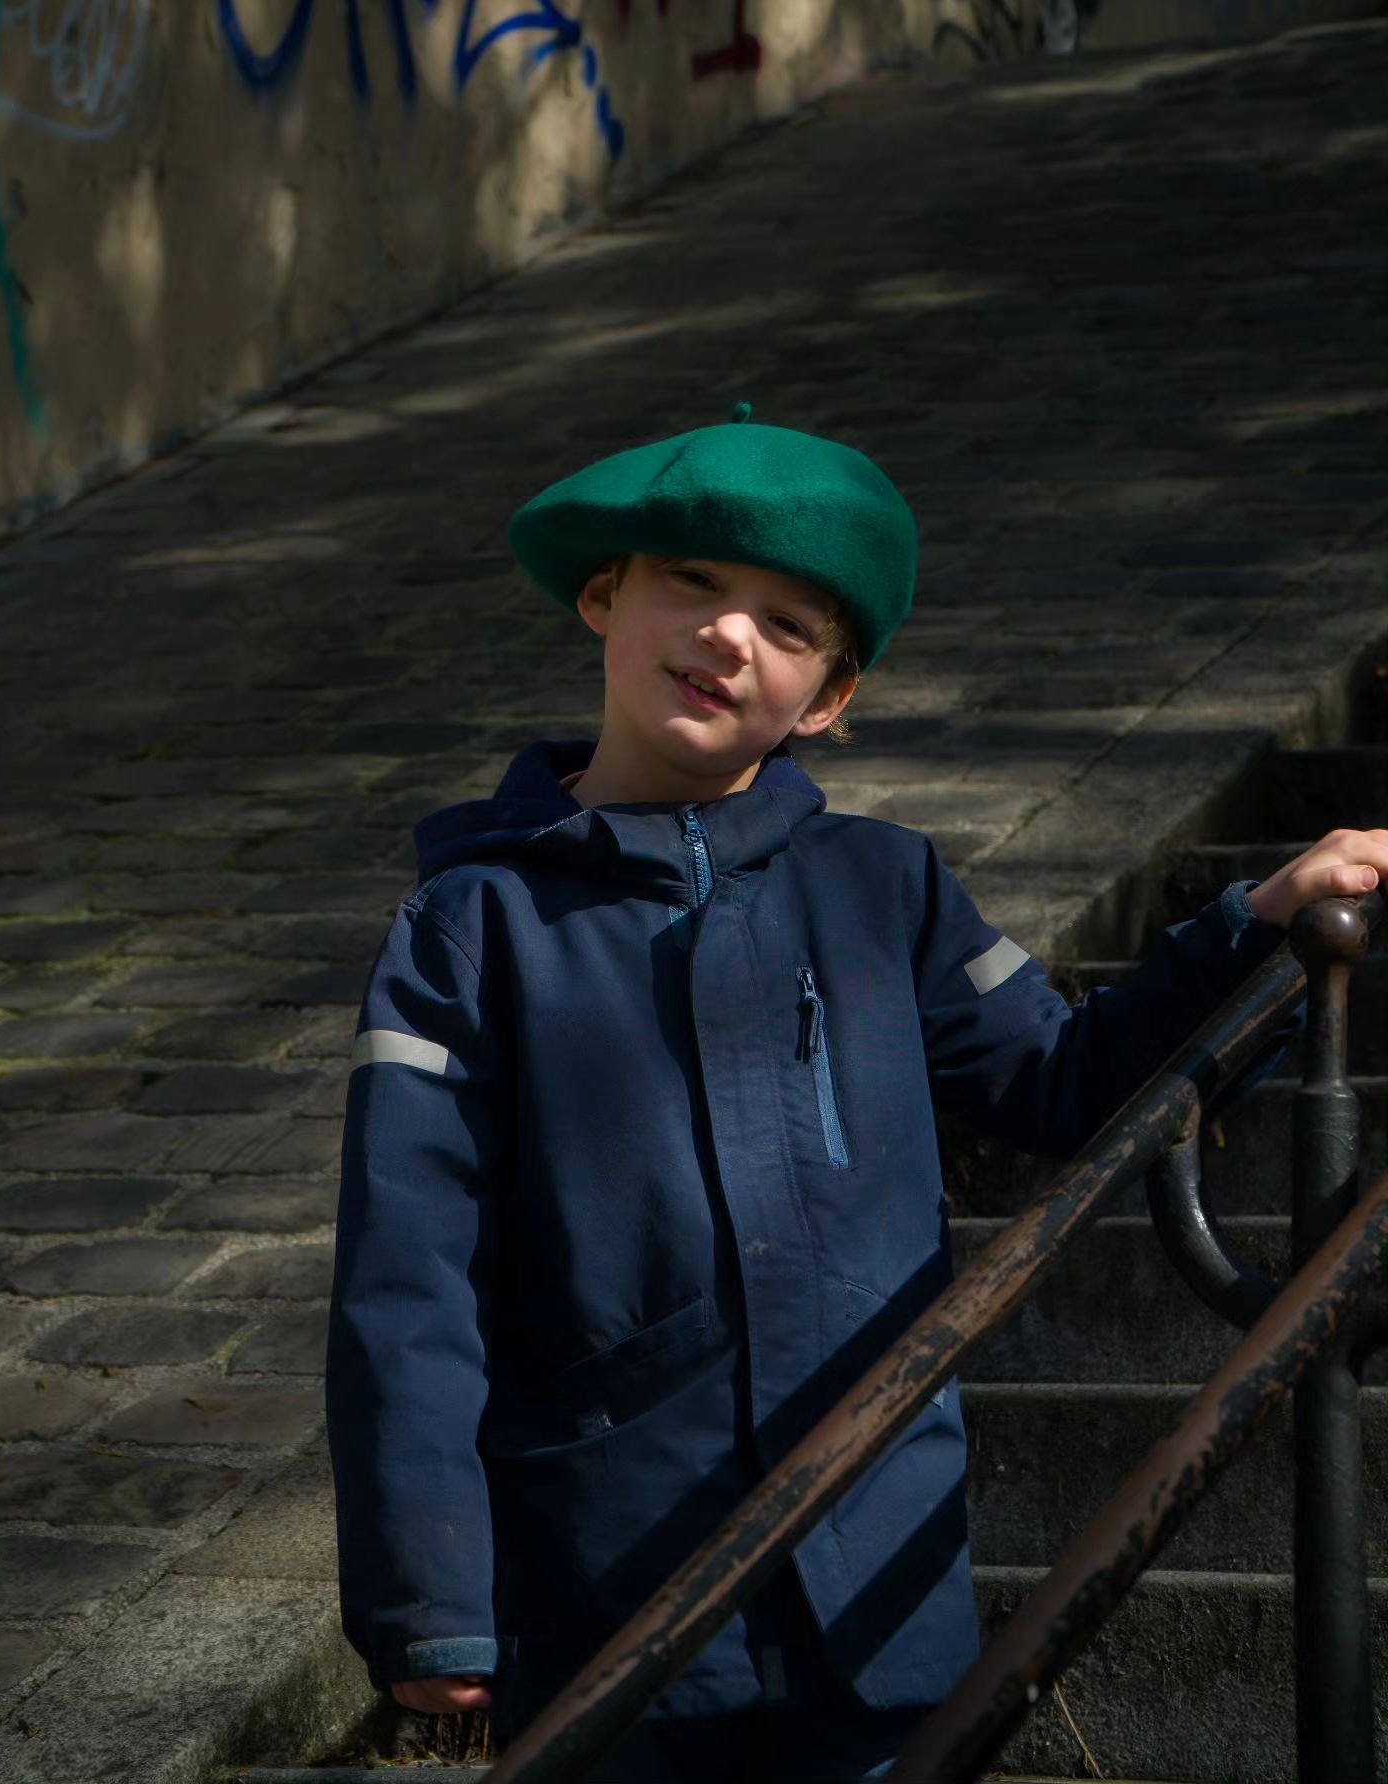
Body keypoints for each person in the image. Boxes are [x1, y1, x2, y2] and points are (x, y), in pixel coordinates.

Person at [325, 408, 1387, 1784]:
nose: (727, 637)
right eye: (692, 587)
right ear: (605, 597)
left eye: (786, 624)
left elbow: (1067, 1084)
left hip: (881, 1575)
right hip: (611, 1582)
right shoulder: (469, 924)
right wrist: (430, 1594)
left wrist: (1256, 921)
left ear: (828, 698)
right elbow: (406, 1286)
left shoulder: (886, 887)